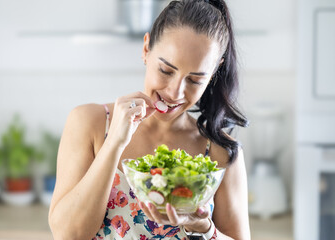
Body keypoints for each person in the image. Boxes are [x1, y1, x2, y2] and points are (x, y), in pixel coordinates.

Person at [48, 0, 250, 239]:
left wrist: (204, 229)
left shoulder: (219, 151)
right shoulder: (90, 123)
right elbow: (68, 234)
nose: (175, 92)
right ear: (146, 49)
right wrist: (114, 142)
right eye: (166, 70)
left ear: (214, 73)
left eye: (194, 80)